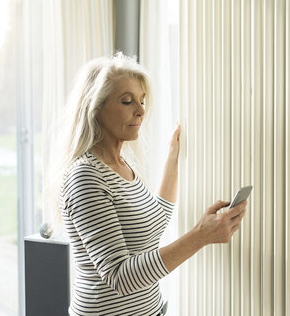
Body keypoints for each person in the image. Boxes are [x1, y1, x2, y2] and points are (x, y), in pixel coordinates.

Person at [51, 53, 247, 316]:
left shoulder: (121, 166)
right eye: (127, 101)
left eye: (142, 101)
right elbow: (119, 277)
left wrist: (173, 156)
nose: (141, 110)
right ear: (95, 108)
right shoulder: (86, 177)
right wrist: (200, 236)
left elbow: (154, 220)